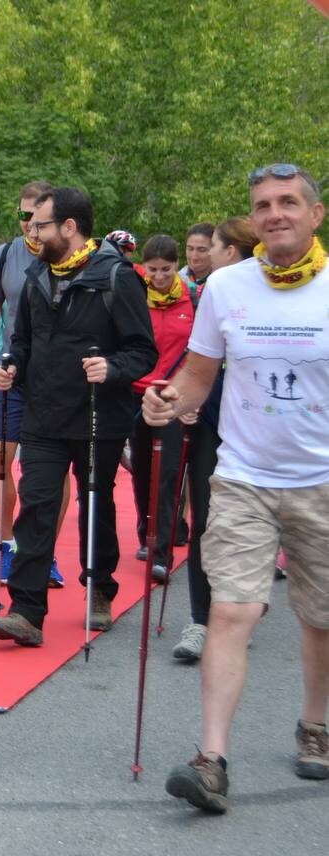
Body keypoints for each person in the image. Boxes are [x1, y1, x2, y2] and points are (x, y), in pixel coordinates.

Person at [147, 164, 329, 812]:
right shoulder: (226, 286)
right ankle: (212, 759)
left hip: (321, 481)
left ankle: (314, 723)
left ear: (316, 214)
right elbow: (199, 375)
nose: (274, 213)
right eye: (263, 205)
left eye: (288, 202)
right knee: (232, 610)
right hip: (244, 476)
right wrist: (170, 400)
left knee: (320, 615)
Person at [0, 186, 156, 647]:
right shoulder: (38, 276)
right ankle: (25, 610)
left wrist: (112, 368)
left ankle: (99, 586)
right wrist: (10, 365)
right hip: (43, 413)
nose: (31, 231)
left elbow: (144, 351)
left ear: (69, 227)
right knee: (37, 507)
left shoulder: (117, 277)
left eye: (40, 224)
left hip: (98, 412)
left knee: (95, 502)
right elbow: (22, 341)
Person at [0, 181, 67, 589]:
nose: (29, 225)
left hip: (60, 379)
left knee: (54, 468)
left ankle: (44, 553)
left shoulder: (72, 257)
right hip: (11, 373)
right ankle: (5, 545)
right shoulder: (6, 256)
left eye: (37, 219)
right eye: (23, 216)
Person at [171, 216, 258, 662]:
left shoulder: (271, 294)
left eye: (214, 247)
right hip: (209, 418)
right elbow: (196, 361)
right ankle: (202, 620)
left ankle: (244, 604)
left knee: (248, 520)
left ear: (231, 252)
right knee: (203, 517)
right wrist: (177, 398)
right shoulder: (213, 295)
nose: (203, 254)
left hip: (260, 427)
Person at [128, 234, 196, 583]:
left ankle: (161, 553)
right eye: (152, 269)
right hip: (136, 394)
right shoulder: (136, 294)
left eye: (166, 269)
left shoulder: (192, 298)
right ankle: (146, 531)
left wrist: (186, 392)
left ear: (176, 264)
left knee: (168, 474)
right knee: (141, 471)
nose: (159, 276)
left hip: (172, 395)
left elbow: (199, 352)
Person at [181, 222, 216, 299]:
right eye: (190, 249)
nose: (194, 257)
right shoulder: (177, 281)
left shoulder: (221, 280)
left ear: (214, 250)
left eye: (201, 250)